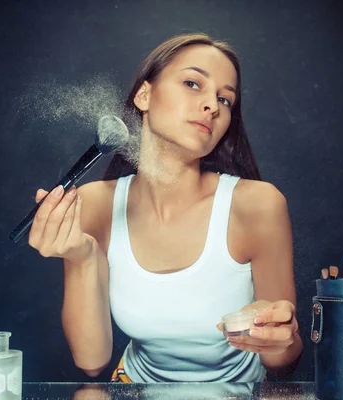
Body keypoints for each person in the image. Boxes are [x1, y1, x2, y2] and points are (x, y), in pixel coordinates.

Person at [28, 32, 302, 383]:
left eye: (226, 99)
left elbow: (283, 362)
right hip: (134, 388)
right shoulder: (95, 204)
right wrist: (82, 257)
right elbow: (92, 362)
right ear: (144, 94)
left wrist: (282, 336)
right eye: (192, 83)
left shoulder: (258, 205)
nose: (213, 106)